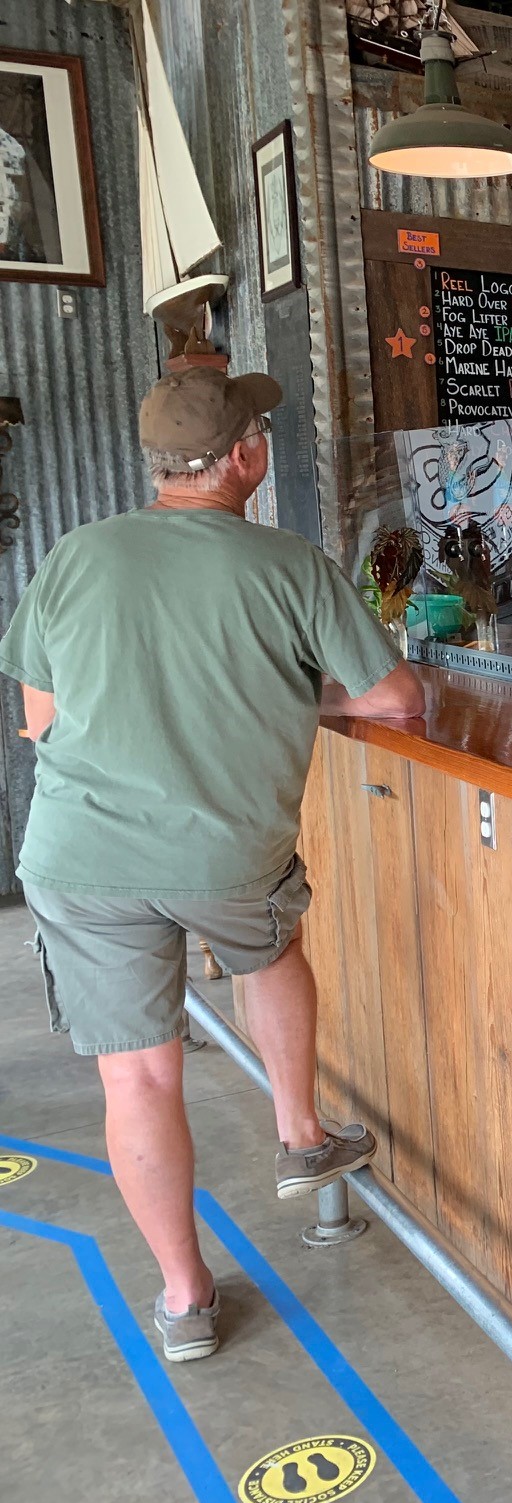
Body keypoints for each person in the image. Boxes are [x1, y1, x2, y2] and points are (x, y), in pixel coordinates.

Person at [0, 361, 426, 1365]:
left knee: (137, 1083)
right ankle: (298, 1133)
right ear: (244, 458)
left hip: (78, 858)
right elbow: (396, 701)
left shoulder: (73, 555)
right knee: (271, 947)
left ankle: (187, 1302)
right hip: (225, 854)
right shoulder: (287, 564)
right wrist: (295, 697)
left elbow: (38, 723)